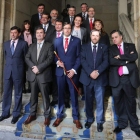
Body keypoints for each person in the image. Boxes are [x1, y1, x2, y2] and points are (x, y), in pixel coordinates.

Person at [109, 30, 140, 138]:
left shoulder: (130, 46)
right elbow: (111, 61)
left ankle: (135, 126)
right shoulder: (111, 48)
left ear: (121, 37)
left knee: (131, 102)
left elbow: (134, 57)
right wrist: (127, 60)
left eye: (116, 37)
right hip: (116, 79)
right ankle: (122, 124)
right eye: (112, 38)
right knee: (118, 103)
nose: (114, 39)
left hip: (129, 79)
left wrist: (120, 57)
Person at [52, 23, 82, 129]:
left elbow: (79, 57)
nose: (67, 30)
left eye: (69, 28)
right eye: (65, 28)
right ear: (62, 29)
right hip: (60, 72)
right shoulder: (57, 40)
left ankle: (76, 118)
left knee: (74, 95)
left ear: (71, 29)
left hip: (72, 72)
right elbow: (54, 55)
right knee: (60, 94)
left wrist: (74, 70)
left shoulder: (77, 40)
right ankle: (59, 116)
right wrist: (57, 63)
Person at [24, 26, 54, 126]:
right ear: (35, 35)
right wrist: (34, 67)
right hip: (33, 75)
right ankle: (32, 114)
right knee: (33, 97)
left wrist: (39, 68)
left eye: (41, 32)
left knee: (45, 97)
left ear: (44, 34)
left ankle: (47, 116)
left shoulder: (49, 45)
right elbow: (27, 58)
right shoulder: (31, 46)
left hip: (43, 75)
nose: (39, 34)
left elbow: (50, 59)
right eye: (37, 33)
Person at [80, 29, 109, 132]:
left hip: (100, 78)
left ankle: (100, 121)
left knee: (100, 101)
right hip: (87, 78)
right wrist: (90, 72)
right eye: (93, 35)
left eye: (97, 35)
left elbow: (106, 61)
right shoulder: (84, 47)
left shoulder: (104, 47)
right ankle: (89, 119)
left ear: (99, 37)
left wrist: (97, 72)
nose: (95, 37)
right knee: (88, 100)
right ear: (90, 36)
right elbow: (82, 60)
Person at [0, 26, 28, 124]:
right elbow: (6, 57)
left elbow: (26, 59)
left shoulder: (23, 44)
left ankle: (16, 114)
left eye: (15, 32)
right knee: (6, 93)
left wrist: (23, 71)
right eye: (11, 32)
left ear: (19, 34)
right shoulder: (6, 44)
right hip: (8, 71)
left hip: (18, 72)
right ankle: (5, 113)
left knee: (17, 93)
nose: (13, 34)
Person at [20, 20, 33, 93]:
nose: (27, 25)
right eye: (25, 24)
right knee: (23, 71)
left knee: (31, 70)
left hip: (31, 54)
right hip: (23, 54)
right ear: (24, 25)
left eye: (28, 24)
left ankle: (30, 87)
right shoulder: (21, 34)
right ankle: (23, 87)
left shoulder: (33, 33)